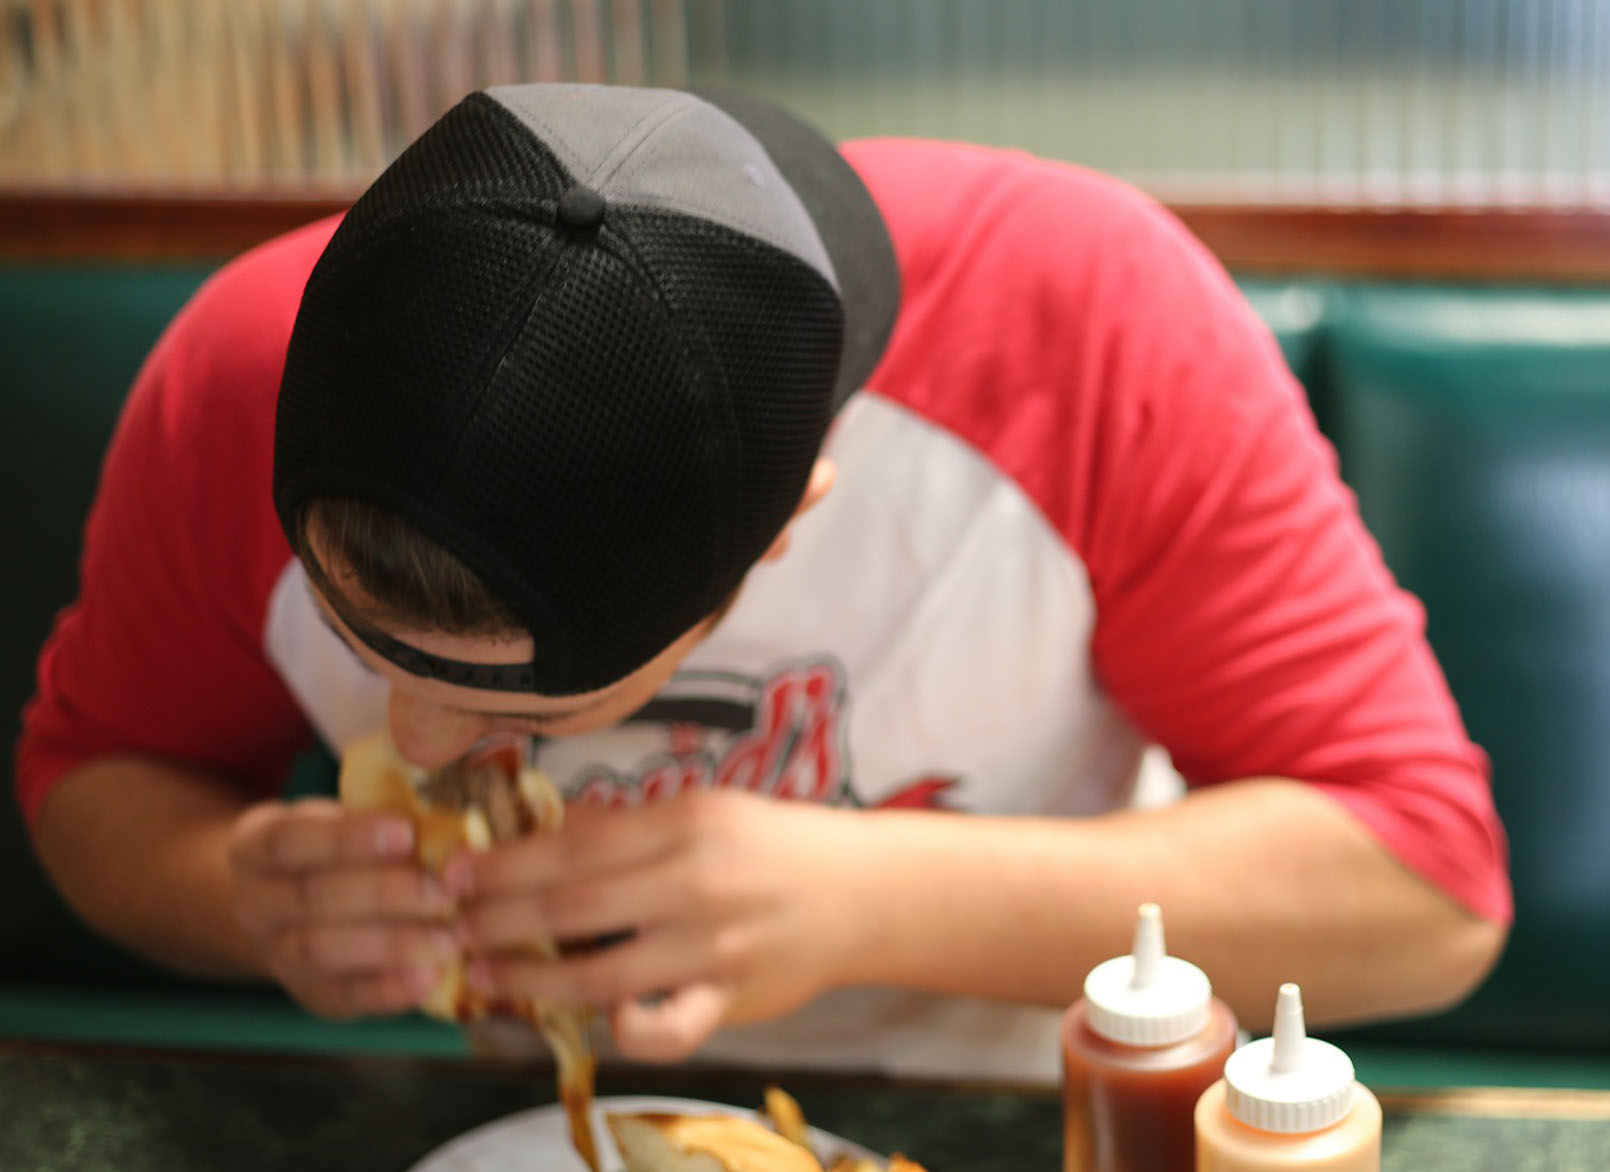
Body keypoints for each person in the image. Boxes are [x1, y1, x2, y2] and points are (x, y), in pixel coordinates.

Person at [17, 84, 1508, 1080]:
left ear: (788, 522)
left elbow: (1426, 894)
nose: (411, 741)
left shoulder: (1088, 321)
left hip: (1006, 1162)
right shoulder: (233, 377)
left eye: (534, 696)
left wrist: (860, 898)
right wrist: (241, 900)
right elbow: (93, 776)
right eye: (364, 642)